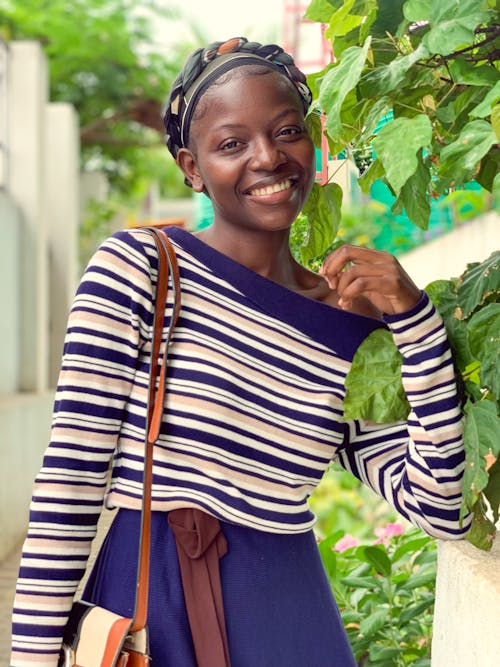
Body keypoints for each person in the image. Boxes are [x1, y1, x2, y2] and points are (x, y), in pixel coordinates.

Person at [11, 37, 471, 666]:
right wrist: (34, 657)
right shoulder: (141, 268)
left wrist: (414, 325)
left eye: (286, 131)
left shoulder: (347, 319)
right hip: (152, 612)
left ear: (313, 141)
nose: (267, 159)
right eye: (231, 144)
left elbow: (439, 508)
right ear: (192, 167)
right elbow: (69, 480)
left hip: (290, 616)